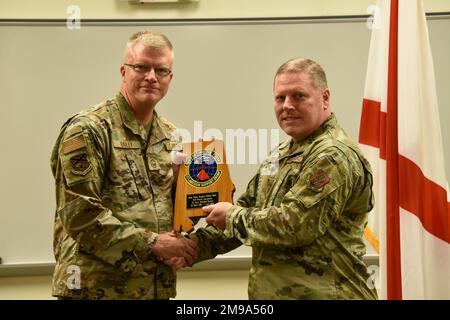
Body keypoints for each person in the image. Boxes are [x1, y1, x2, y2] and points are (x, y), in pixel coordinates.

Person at [190, 58, 378, 300]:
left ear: (325, 98)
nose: (287, 106)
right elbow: (248, 209)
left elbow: (295, 225)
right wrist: (193, 246)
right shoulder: (281, 153)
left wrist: (231, 216)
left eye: (298, 96)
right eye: (280, 98)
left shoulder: (333, 155)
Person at [50, 31, 198, 300]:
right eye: (141, 67)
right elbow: (80, 214)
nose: (151, 77)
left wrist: (179, 242)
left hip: (152, 287)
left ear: (170, 78)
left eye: (161, 70)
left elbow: (175, 212)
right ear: (124, 71)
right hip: (94, 289)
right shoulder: (89, 129)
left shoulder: (172, 136)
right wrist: (154, 244)